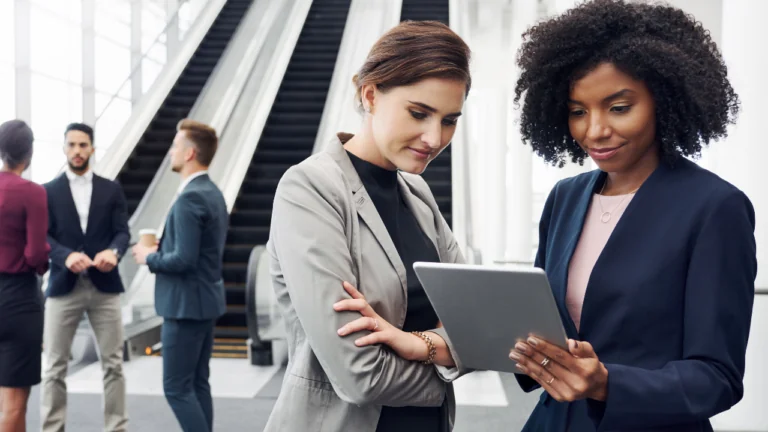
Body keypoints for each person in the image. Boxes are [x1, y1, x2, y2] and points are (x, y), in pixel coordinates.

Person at [507, 1, 757, 431]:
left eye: (619, 107)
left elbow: (717, 378)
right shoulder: (565, 197)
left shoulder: (714, 208)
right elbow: (543, 325)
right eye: (577, 111)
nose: (594, 130)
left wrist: (607, 383)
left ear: (664, 100)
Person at [265, 21, 472, 432]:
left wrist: (417, 343)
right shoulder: (311, 188)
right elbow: (360, 375)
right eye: (419, 113)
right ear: (370, 94)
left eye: (449, 120)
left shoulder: (418, 194)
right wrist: (447, 357)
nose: (434, 137)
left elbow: (473, 320)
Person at [132, 119, 228, 432]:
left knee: (176, 387)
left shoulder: (189, 198)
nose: (170, 152)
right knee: (198, 382)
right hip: (205, 302)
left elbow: (184, 260)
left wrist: (149, 257)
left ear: (189, 153)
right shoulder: (212, 192)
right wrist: (167, 246)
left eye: (175, 147)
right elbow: (197, 251)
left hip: (184, 306)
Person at [41, 123, 130, 432]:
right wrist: (65, 255)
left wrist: (114, 252)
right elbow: (43, 237)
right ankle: (53, 428)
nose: (77, 151)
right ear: (64, 148)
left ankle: (116, 427)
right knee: (54, 366)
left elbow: (123, 231)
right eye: (72, 145)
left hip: (105, 287)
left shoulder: (111, 189)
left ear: (92, 148)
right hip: (63, 287)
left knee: (114, 365)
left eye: (83, 145)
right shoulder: (48, 191)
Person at [0, 120, 49, 432]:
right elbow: (35, 255)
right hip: (18, 299)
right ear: (29, 154)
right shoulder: (33, 193)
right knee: (14, 403)